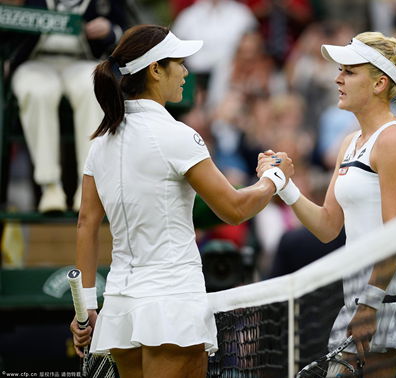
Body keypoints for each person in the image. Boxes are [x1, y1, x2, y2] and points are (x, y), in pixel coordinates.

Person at [69, 25, 294, 377]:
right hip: (172, 304)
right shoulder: (178, 136)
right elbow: (233, 210)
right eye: (179, 63)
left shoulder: (100, 143)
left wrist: (84, 308)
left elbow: (86, 224)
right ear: (155, 69)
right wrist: (274, 179)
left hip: (121, 306)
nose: (186, 72)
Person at [258, 31, 396, 377]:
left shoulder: (395, 139)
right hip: (358, 299)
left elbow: (395, 235)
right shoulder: (350, 142)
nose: (337, 78)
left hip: (386, 299)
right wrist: (283, 185)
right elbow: (327, 227)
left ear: (379, 83)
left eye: (349, 71)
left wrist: (370, 304)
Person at [9, 0, 127, 213]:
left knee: (94, 87)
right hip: (35, 60)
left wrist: (109, 30)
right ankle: (49, 186)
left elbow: (123, 28)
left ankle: (88, 186)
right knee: (37, 91)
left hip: (83, 60)